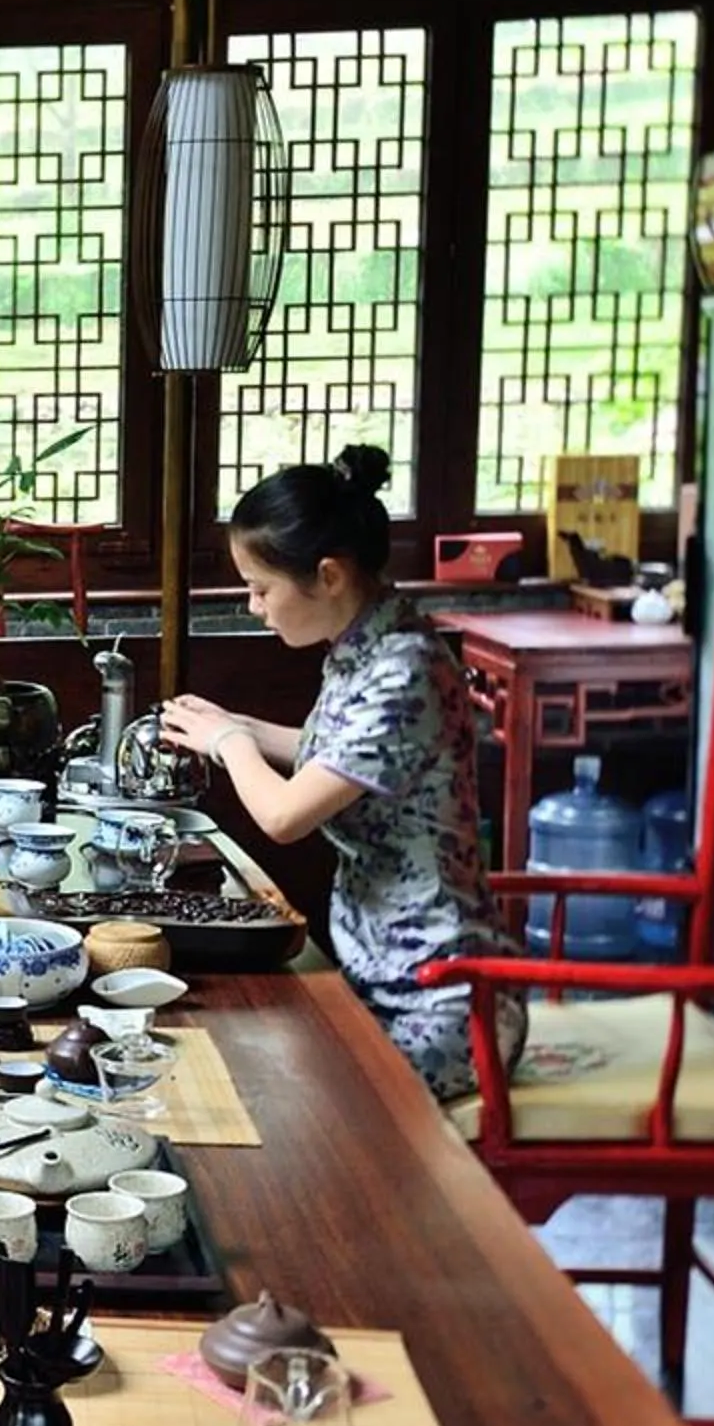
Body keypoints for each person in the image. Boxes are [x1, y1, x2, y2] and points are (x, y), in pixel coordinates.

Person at [156, 444, 523, 1102]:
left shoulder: (402, 669)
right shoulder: (370, 641)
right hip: (377, 965)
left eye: (260, 588)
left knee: (277, 1099)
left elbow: (286, 815)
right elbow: (337, 760)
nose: (253, 605)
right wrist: (226, 726)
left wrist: (232, 741)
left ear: (328, 576)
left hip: (436, 998)